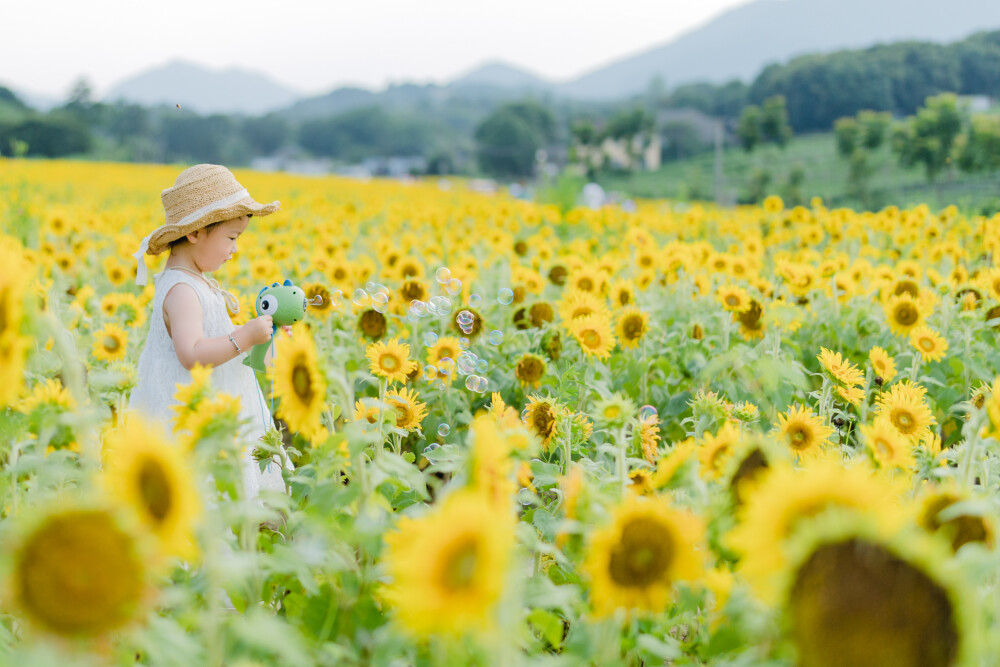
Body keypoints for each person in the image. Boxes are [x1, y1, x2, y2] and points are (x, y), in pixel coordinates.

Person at [129, 164, 288, 500]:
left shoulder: (198, 282)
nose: (235, 249)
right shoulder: (182, 290)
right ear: (195, 232)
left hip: (218, 409)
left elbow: (233, 351)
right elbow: (192, 354)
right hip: (193, 416)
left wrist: (266, 336)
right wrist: (245, 335)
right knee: (204, 494)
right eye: (231, 238)